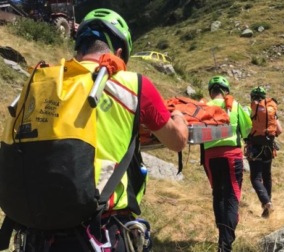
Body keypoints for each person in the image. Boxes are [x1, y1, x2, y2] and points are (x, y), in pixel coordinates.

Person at [21, 8, 188, 251]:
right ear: (119, 52)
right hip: (100, 232)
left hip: (36, 233)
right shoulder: (133, 84)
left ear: (79, 48)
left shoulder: (43, 81)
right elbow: (177, 141)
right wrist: (179, 116)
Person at [202, 76, 252, 252]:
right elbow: (247, 130)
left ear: (211, 91)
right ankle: (226, 243)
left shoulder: (202, 107)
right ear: (226, 90)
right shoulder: (235, 106)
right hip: (232, 156)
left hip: (210, 156)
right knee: (232, 196)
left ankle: (223, 235)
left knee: (218, 194)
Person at [246, 87, 282, 219]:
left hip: (255, 146)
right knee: (267, 176)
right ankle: (268, 206)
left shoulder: (252, 109)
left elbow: (246, 128)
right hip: (268, 147)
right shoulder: (271, 109)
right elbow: (280, 130)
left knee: (255, 177)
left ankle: (266, 202)